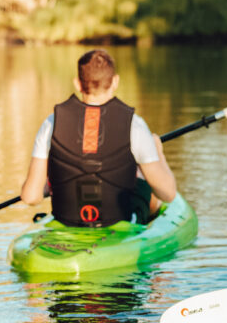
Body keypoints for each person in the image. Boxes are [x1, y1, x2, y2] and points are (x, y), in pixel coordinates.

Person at [20, 49, 177, 227]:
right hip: (119, 223)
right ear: (115, 82)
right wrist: (158, 153)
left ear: (78, 84)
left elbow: (31, 197)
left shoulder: (51, 123)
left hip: (66, 221)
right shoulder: (135, 125)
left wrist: (51, 185)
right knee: (146, 182)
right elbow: (168, 194)